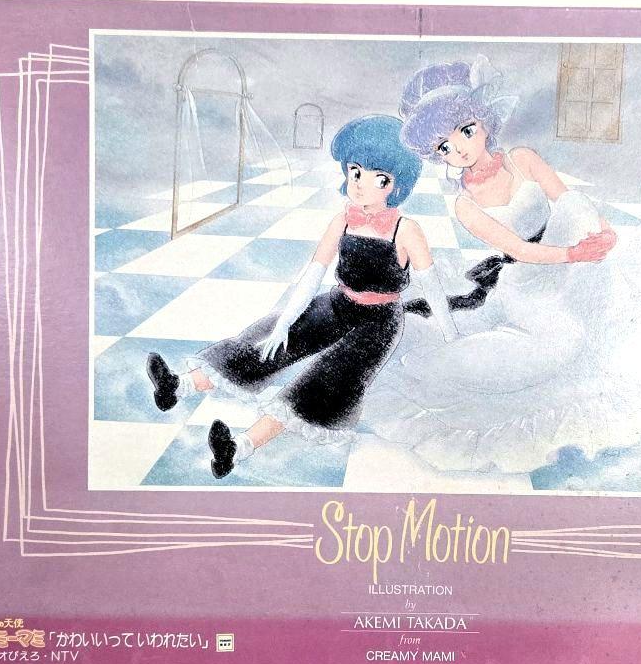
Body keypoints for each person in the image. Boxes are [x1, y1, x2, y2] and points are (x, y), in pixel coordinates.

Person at [360, 56, 641, 475]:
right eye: (444, 146)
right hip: (531, 279)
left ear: (484, 122)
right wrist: (573, 254)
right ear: (436, 154)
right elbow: (520, 250)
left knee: (576, 213)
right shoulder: (466, 205)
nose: (460, 148)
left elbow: (570, 201)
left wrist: (604, 233)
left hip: (572, 251)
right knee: (561, 345)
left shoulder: (522, 158)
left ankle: (606, 316)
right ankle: (448, 360)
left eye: (466, 130)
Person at [145, 114, 458, 478]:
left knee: (325, 379)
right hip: (338, 302)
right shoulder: (343, 220)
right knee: (269, 338)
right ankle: (178, 386)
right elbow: (313, 273)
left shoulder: (407, 230)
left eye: (378, 178)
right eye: (355, 171)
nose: (360, 185)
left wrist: (451, 336)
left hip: (379, 323)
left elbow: (431, 286)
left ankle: (238, 448)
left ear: (396, 184)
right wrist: (284, 323)